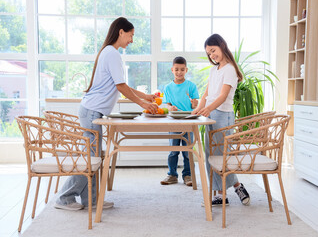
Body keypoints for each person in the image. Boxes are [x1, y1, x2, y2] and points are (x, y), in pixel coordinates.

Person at [54, 17, 158, 211]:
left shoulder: (110, 52)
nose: (132, 40)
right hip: (92, 111)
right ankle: (64, 197)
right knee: (91, 159)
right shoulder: (111, 53)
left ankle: (91, 200)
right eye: (131, 35)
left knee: (93, 158)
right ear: (121, 31)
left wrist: (146, 96)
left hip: (93, 111)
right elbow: (121, 86)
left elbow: (122, 86)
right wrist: (143, 103)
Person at [192, 34, 250, 206]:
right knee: (211, 155)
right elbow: (206, 94)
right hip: (209, 115)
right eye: (209, 53)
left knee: (220, 157)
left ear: (222, 46)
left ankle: (236, 186)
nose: (211, 55)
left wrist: (208, 108)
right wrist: (198, 109)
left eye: (213, 50)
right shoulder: (214, 70)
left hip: (222, 115)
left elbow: (223, 96)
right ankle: (220, 195)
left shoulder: (230, 69)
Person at [160, 56, 199, 186]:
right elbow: (167, 104)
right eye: (176, 69)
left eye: (182, 69)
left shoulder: (191, 86)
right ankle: (172, 175)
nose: (179, 72)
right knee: (173, 150)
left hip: (188, 122)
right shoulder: (168, 87)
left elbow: (195, 105)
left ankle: (188, 175)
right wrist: (170, 107)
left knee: (188, 151)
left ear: (186, 70)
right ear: (172, 69)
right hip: (174, 122)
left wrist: (194, 104)